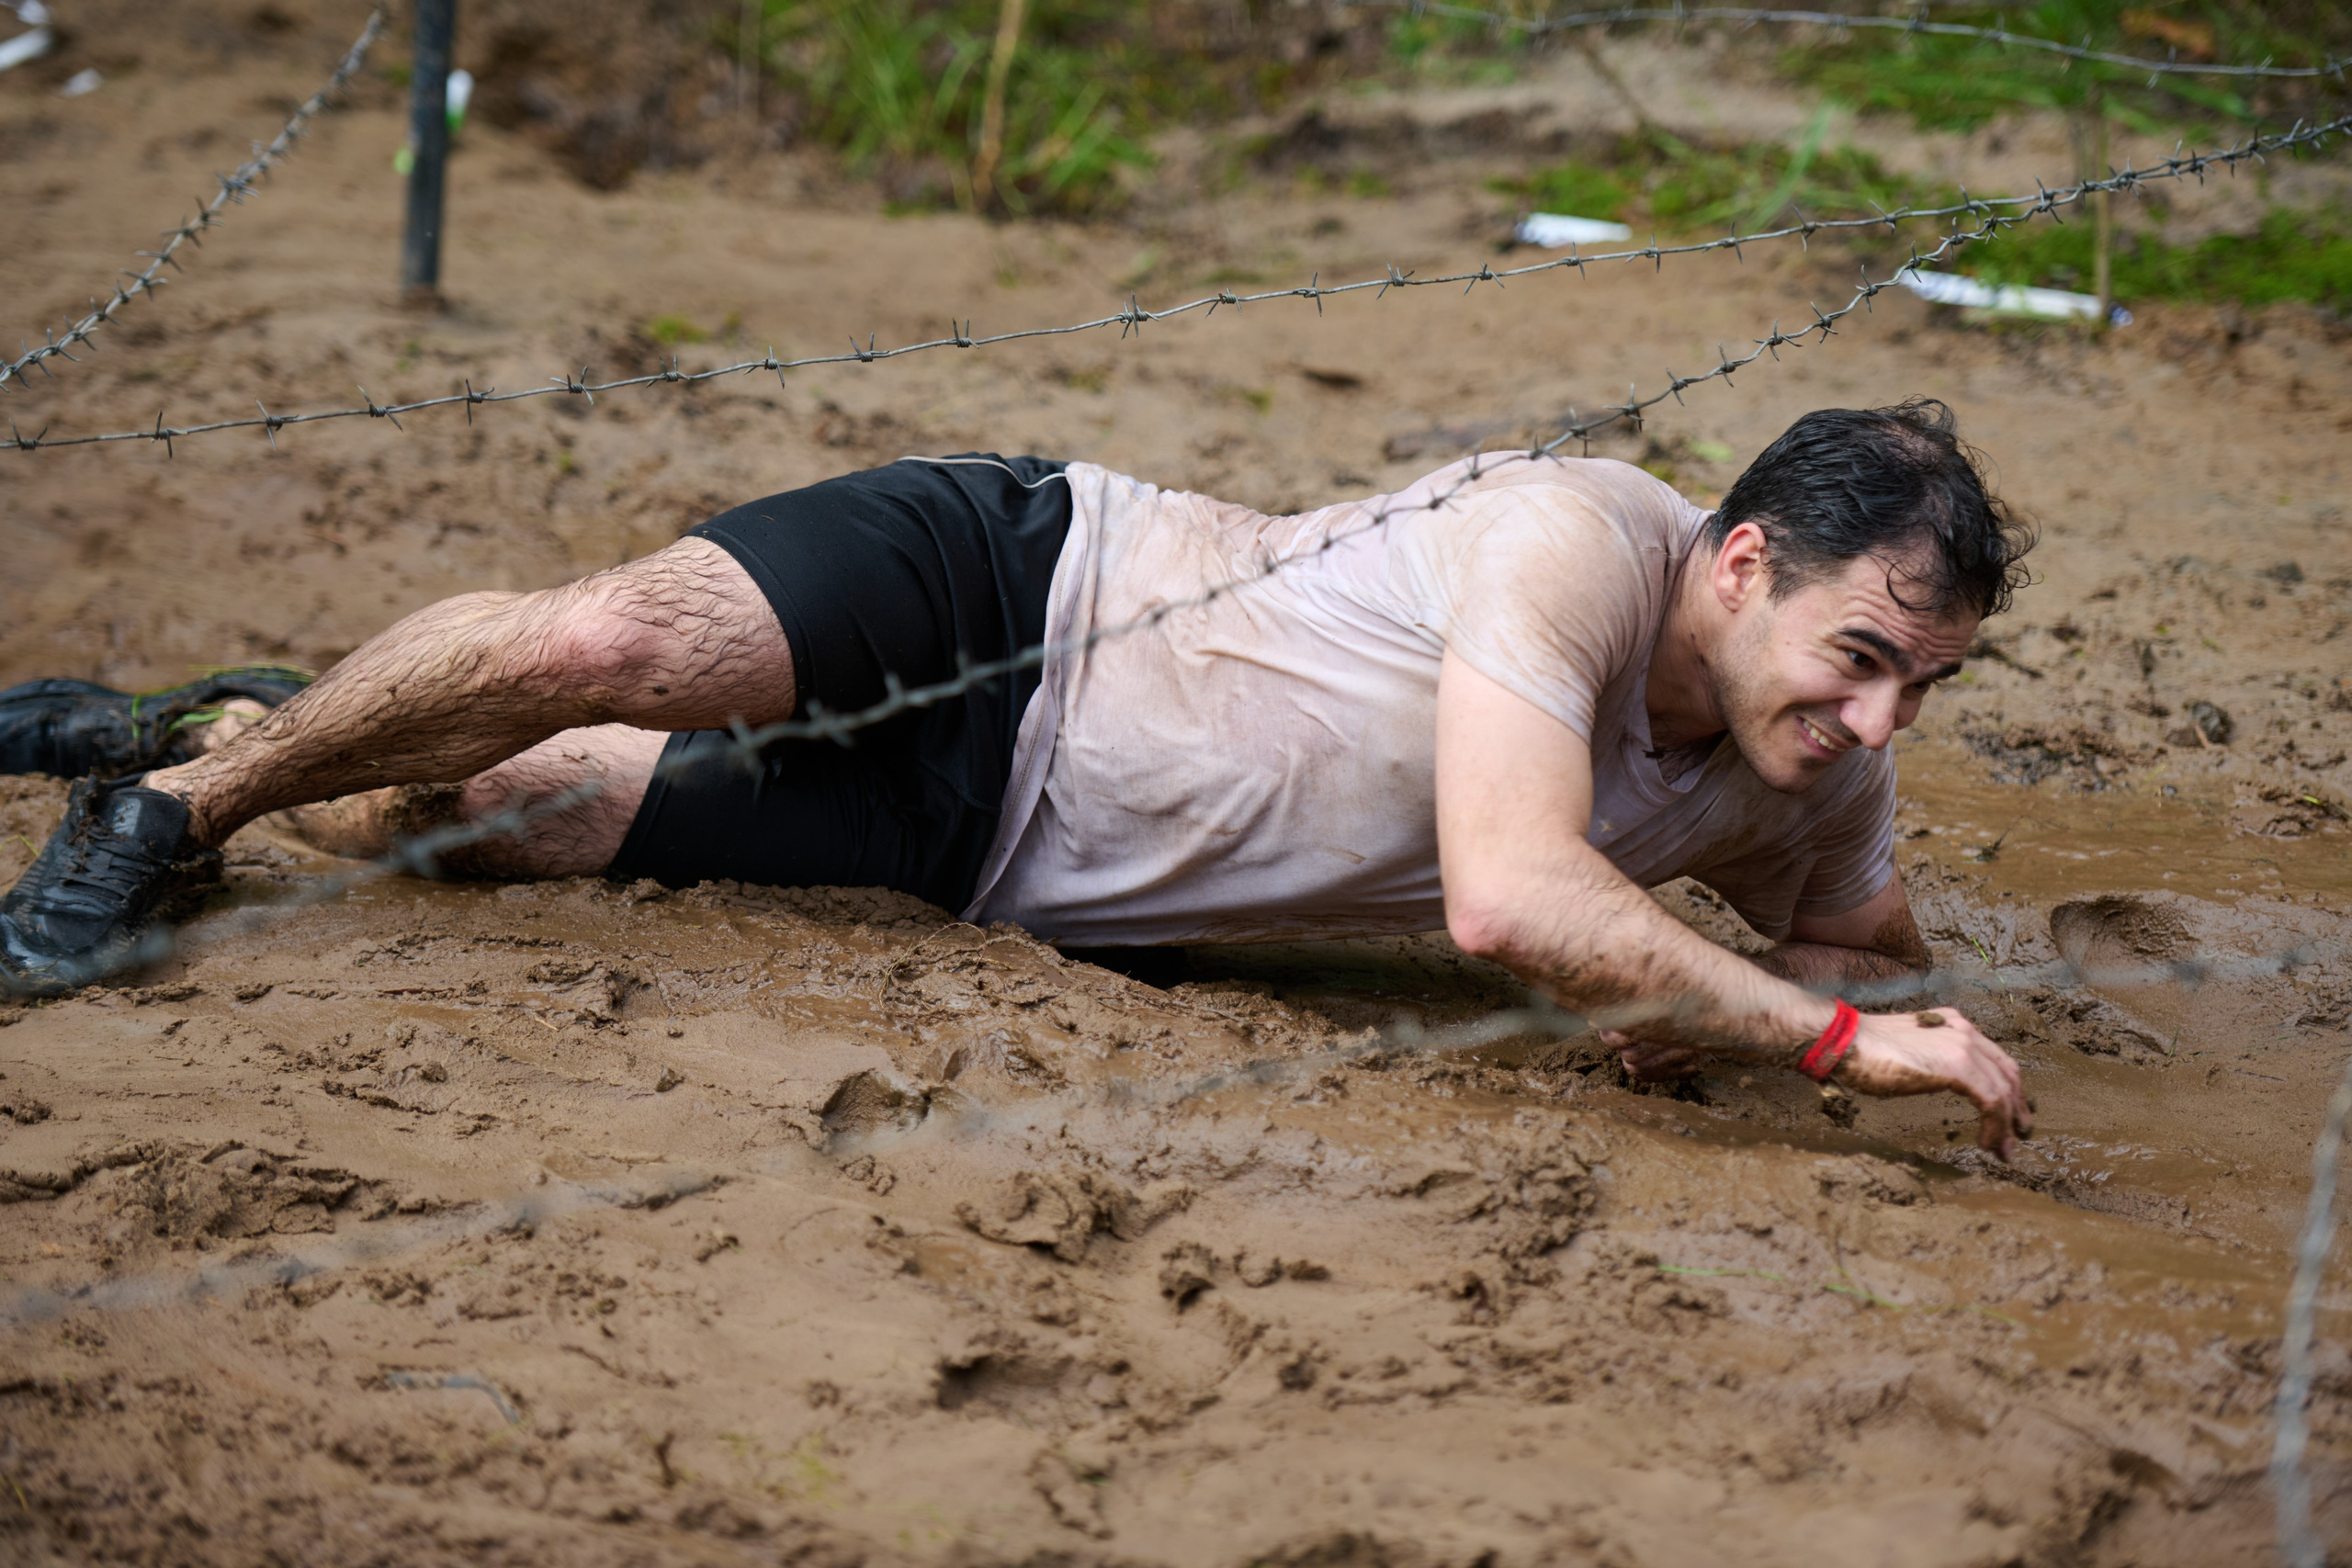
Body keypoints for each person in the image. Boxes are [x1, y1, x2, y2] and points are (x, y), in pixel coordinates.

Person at [0, 400, 2036, 1155]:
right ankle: (169, 814)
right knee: (596, 646)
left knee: (483, 813)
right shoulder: (1582, 532)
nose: (1876, 724)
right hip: (1030, 580)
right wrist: (1821, 1035)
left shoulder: (1806, 767)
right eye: (1862, 658)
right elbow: (1512, 892)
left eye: (1919, 690)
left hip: (984, 852)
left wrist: (1806, 1007)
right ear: (1743, 560)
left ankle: (215, 722)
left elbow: (1867, 954)